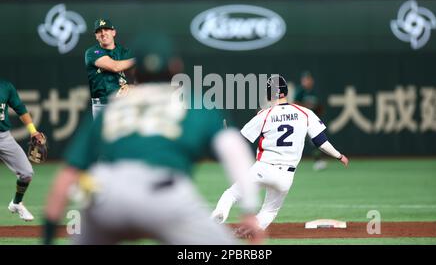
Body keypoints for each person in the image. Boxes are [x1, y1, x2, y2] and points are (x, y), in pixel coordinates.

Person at [43, 46, 265, 245]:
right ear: (176, 68)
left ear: (134, 72)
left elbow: (66, 177)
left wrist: (48, 237)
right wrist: (249, 211)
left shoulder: (113, 108)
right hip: (164, 197)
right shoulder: (193, 104)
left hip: (107, 196)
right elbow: (235, 151)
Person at [211, 74, 349, 232]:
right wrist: (339, 156)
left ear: (269, 95)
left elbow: (239, 142)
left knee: (232, 194)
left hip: (262, 169)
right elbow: (321, 142)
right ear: (286, 92)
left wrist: (226, 133)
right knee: (270, 211)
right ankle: (252, 229)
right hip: (286, 175)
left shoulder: (265, 114)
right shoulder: (304, 113)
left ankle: (219, 214)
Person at [0, 79, 45, 221]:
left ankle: (16, 202)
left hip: (3, 137)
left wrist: (33, 131)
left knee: (26, 173)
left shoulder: (5, 87)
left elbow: (20, 108)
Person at [85, 18, 135, 118]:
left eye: (106, 29)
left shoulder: (125, 52)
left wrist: (132, 86)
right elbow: (114, 66)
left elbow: (139, 75)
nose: (103, 33)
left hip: (123, 103)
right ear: (96, 36)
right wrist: (137, 60)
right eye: (99, 31)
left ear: (113, 32)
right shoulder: (92, 52)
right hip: (102, 105)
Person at [294, 71, 328, 171]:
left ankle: (318, 161)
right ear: (302, 81)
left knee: (315, 141)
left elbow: (318, 106)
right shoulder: (300, 91)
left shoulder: (313, 91)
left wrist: (318, 110)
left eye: (308, 79)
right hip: (301, 120)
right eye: (305, 80)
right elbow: (295, 104)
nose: (307, 81)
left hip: (311, 121)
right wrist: (307, 106)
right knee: (296, 142)